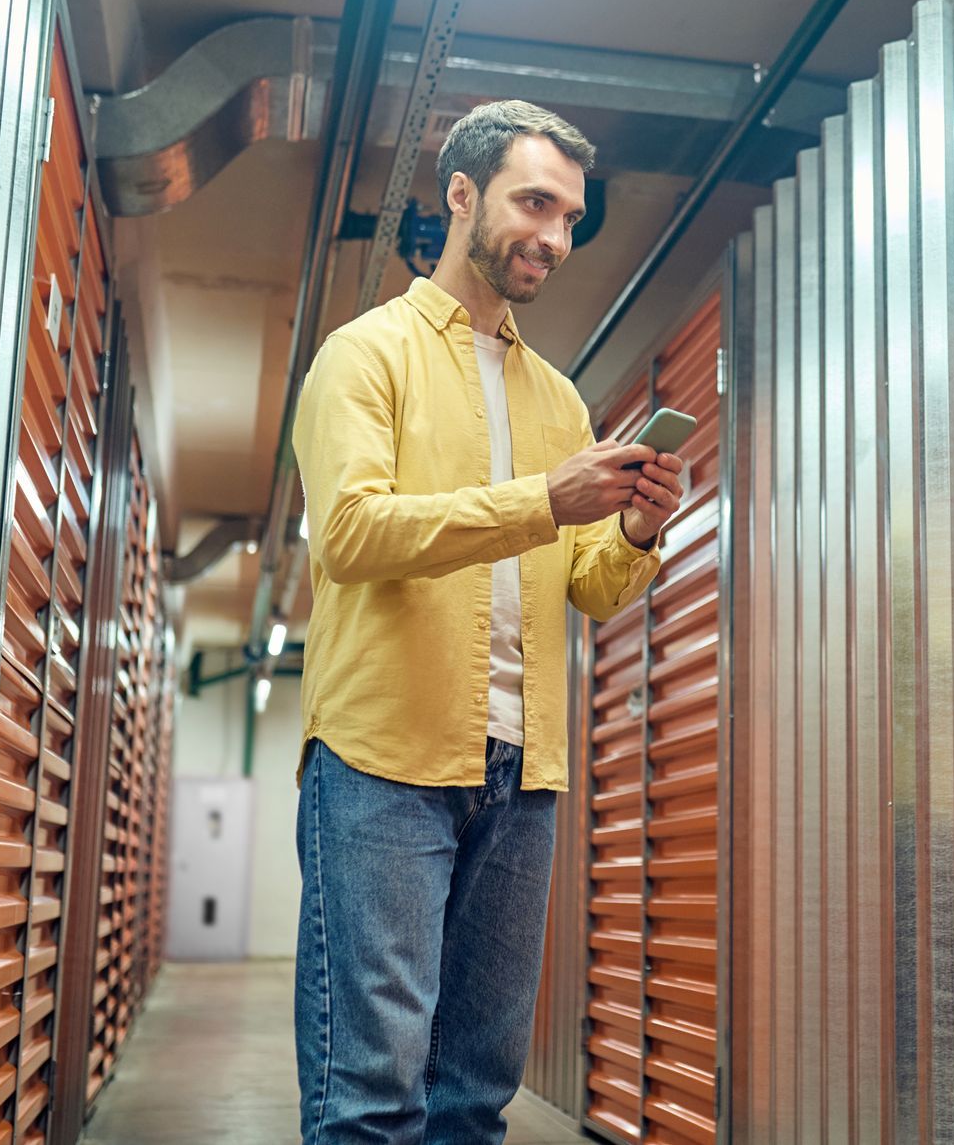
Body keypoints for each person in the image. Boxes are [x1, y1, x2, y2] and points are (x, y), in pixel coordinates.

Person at [289, 100, 683, 1143]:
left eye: (569, 217)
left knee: (475, 1093)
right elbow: (351, 534)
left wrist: (634, 533)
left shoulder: (558, 398)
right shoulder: (362, 356)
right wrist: (543, 500)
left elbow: (587, 586)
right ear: (461, 194)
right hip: (384, 757)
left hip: (524, 774)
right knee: (371, 1091)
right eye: (535, 203)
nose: (554, 236)